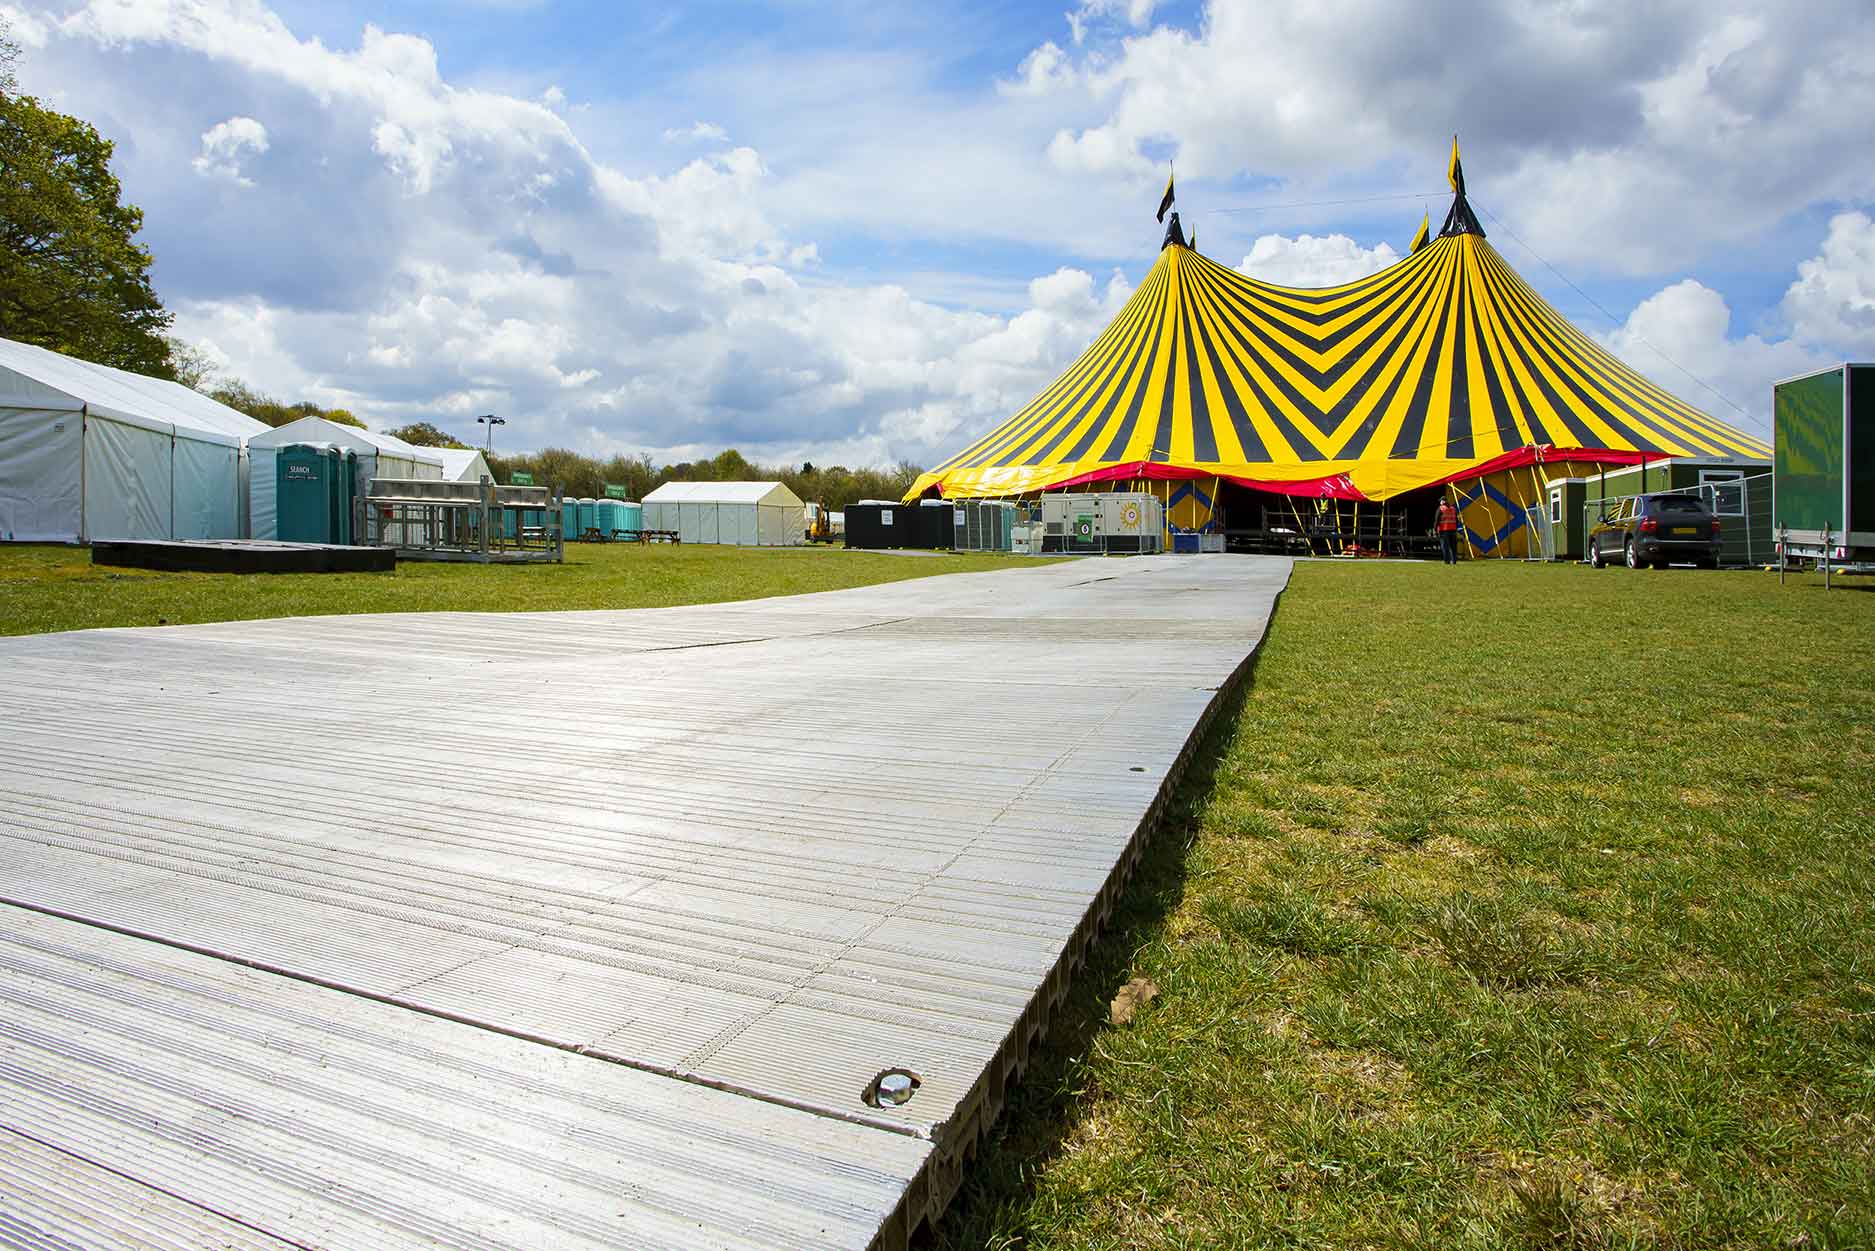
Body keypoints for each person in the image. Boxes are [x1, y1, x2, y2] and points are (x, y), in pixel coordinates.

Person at [1435, 496, 1459, 564]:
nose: (1440, 502)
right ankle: (1454, 561)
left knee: (1445, 547)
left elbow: (1437, 520)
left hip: (1444, 530)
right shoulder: (1453, 508)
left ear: (1443, 501)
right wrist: (1455, 528)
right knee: (1453, 547)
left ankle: (1447, 561)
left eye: (1440, 501)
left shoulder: (1441, 508)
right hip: (1453, 531)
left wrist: (1435, 529)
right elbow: (1456, 520)